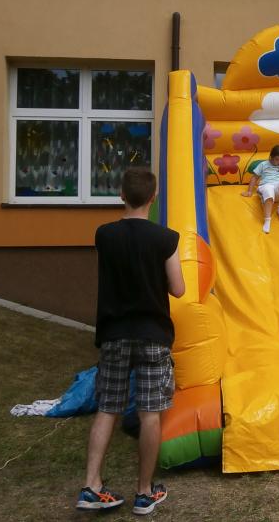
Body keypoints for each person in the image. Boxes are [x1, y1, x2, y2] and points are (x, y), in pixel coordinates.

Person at [76, 167, 185, 516]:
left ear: (121, 195)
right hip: (153, 334)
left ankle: (91, 485)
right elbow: (178, 288)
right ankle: (143, 493)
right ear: (154, 198)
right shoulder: (166, 238)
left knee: (108, 407)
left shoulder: (104, 235)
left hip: (114, 333)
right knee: (150, 414)